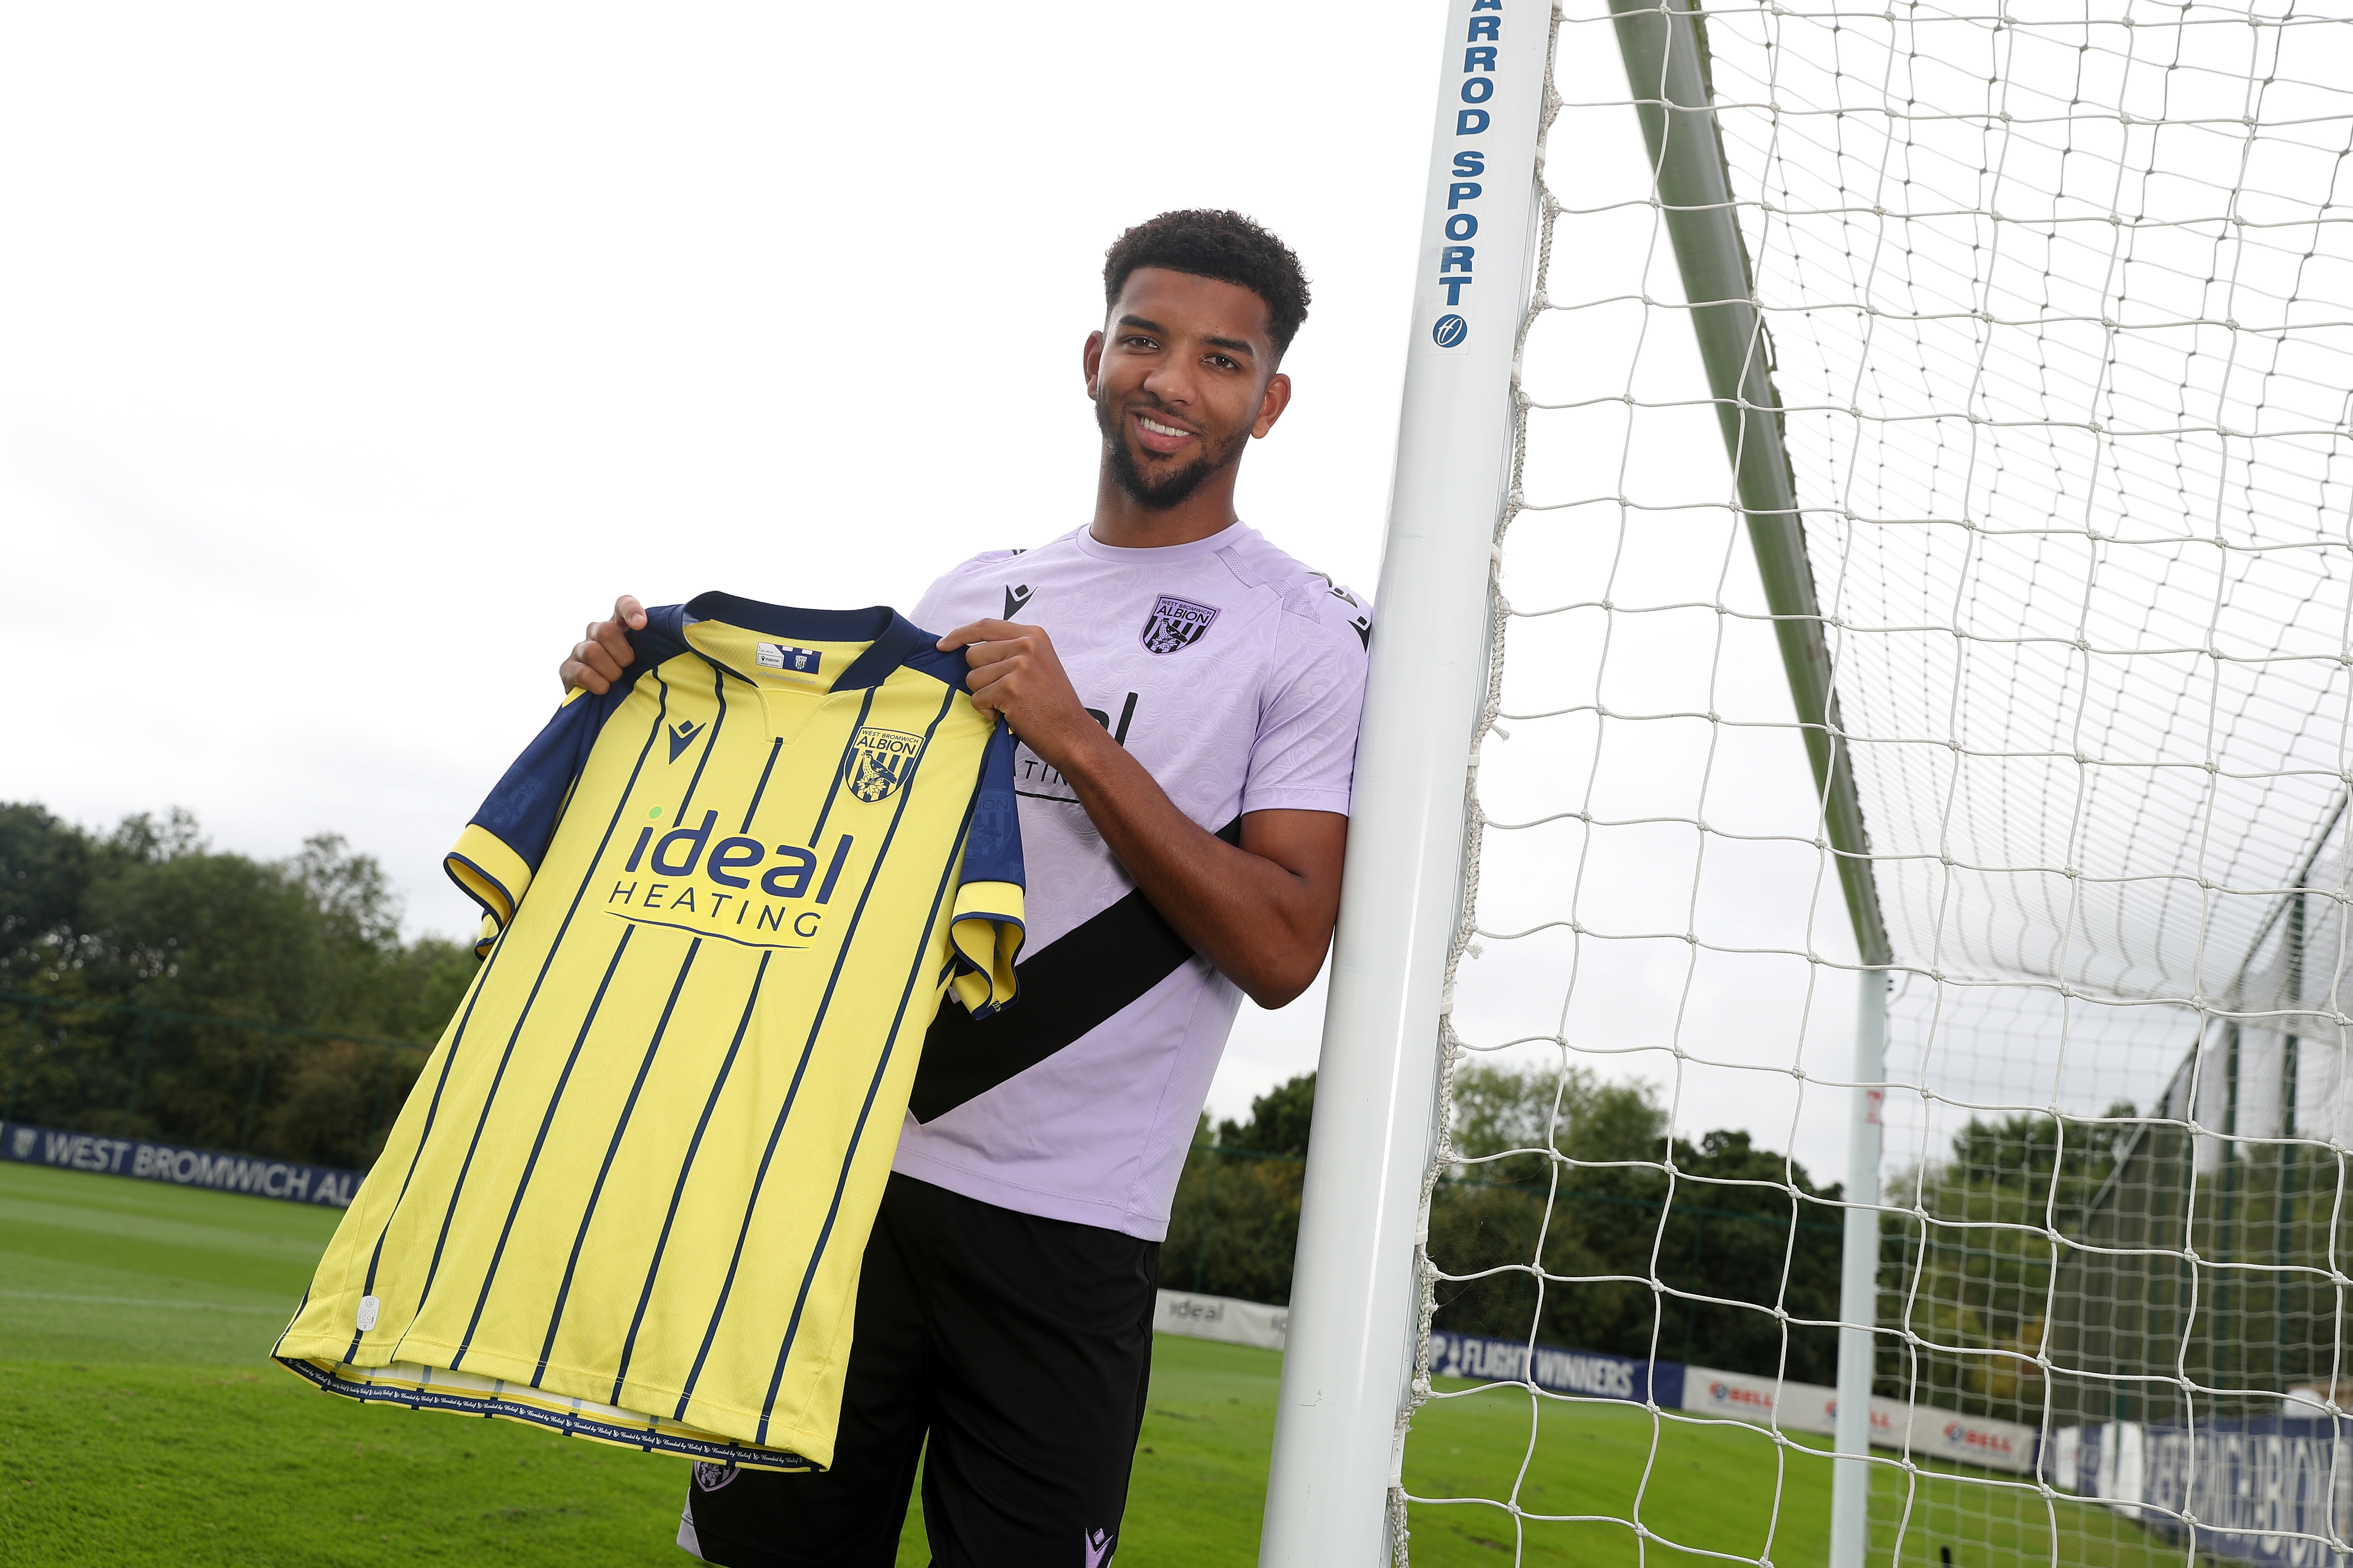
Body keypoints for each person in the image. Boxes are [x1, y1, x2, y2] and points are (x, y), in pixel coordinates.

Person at [558, 210, 1371, 1568]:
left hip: (1067, 1232)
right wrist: (647, 709)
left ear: (1269, 401)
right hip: (839, 1184)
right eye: (1144, 341)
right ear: (1093, 358)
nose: (1173, 381)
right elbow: (836, 835)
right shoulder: (977, 590)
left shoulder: (1308, 635)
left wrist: (1073, 737)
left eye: (1221, 361)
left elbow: (1284, 946)